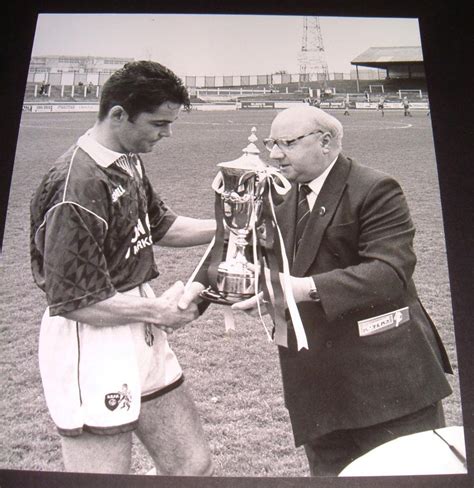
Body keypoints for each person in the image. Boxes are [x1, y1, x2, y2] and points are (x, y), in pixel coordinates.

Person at [233, 105, 453, 476]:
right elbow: (283, 272)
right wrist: (267, 292)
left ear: (326, 142)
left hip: (385, 384)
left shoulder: (376, 189)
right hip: (316, 388)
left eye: (287, 143)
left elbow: (389, 272)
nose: (274, 154)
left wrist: (304, 289)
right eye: (272, 143)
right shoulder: (282, 199)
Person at [30, 60, 215, 475]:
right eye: (158, 123)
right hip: (91, 339)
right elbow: (73, 300)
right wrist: (158, 312)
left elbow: (161, 226)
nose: (166, 134)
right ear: (118, 114)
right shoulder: (75, 184)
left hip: (138, 325)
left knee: (191, 465)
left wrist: (234, 226)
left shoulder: (126, 159)